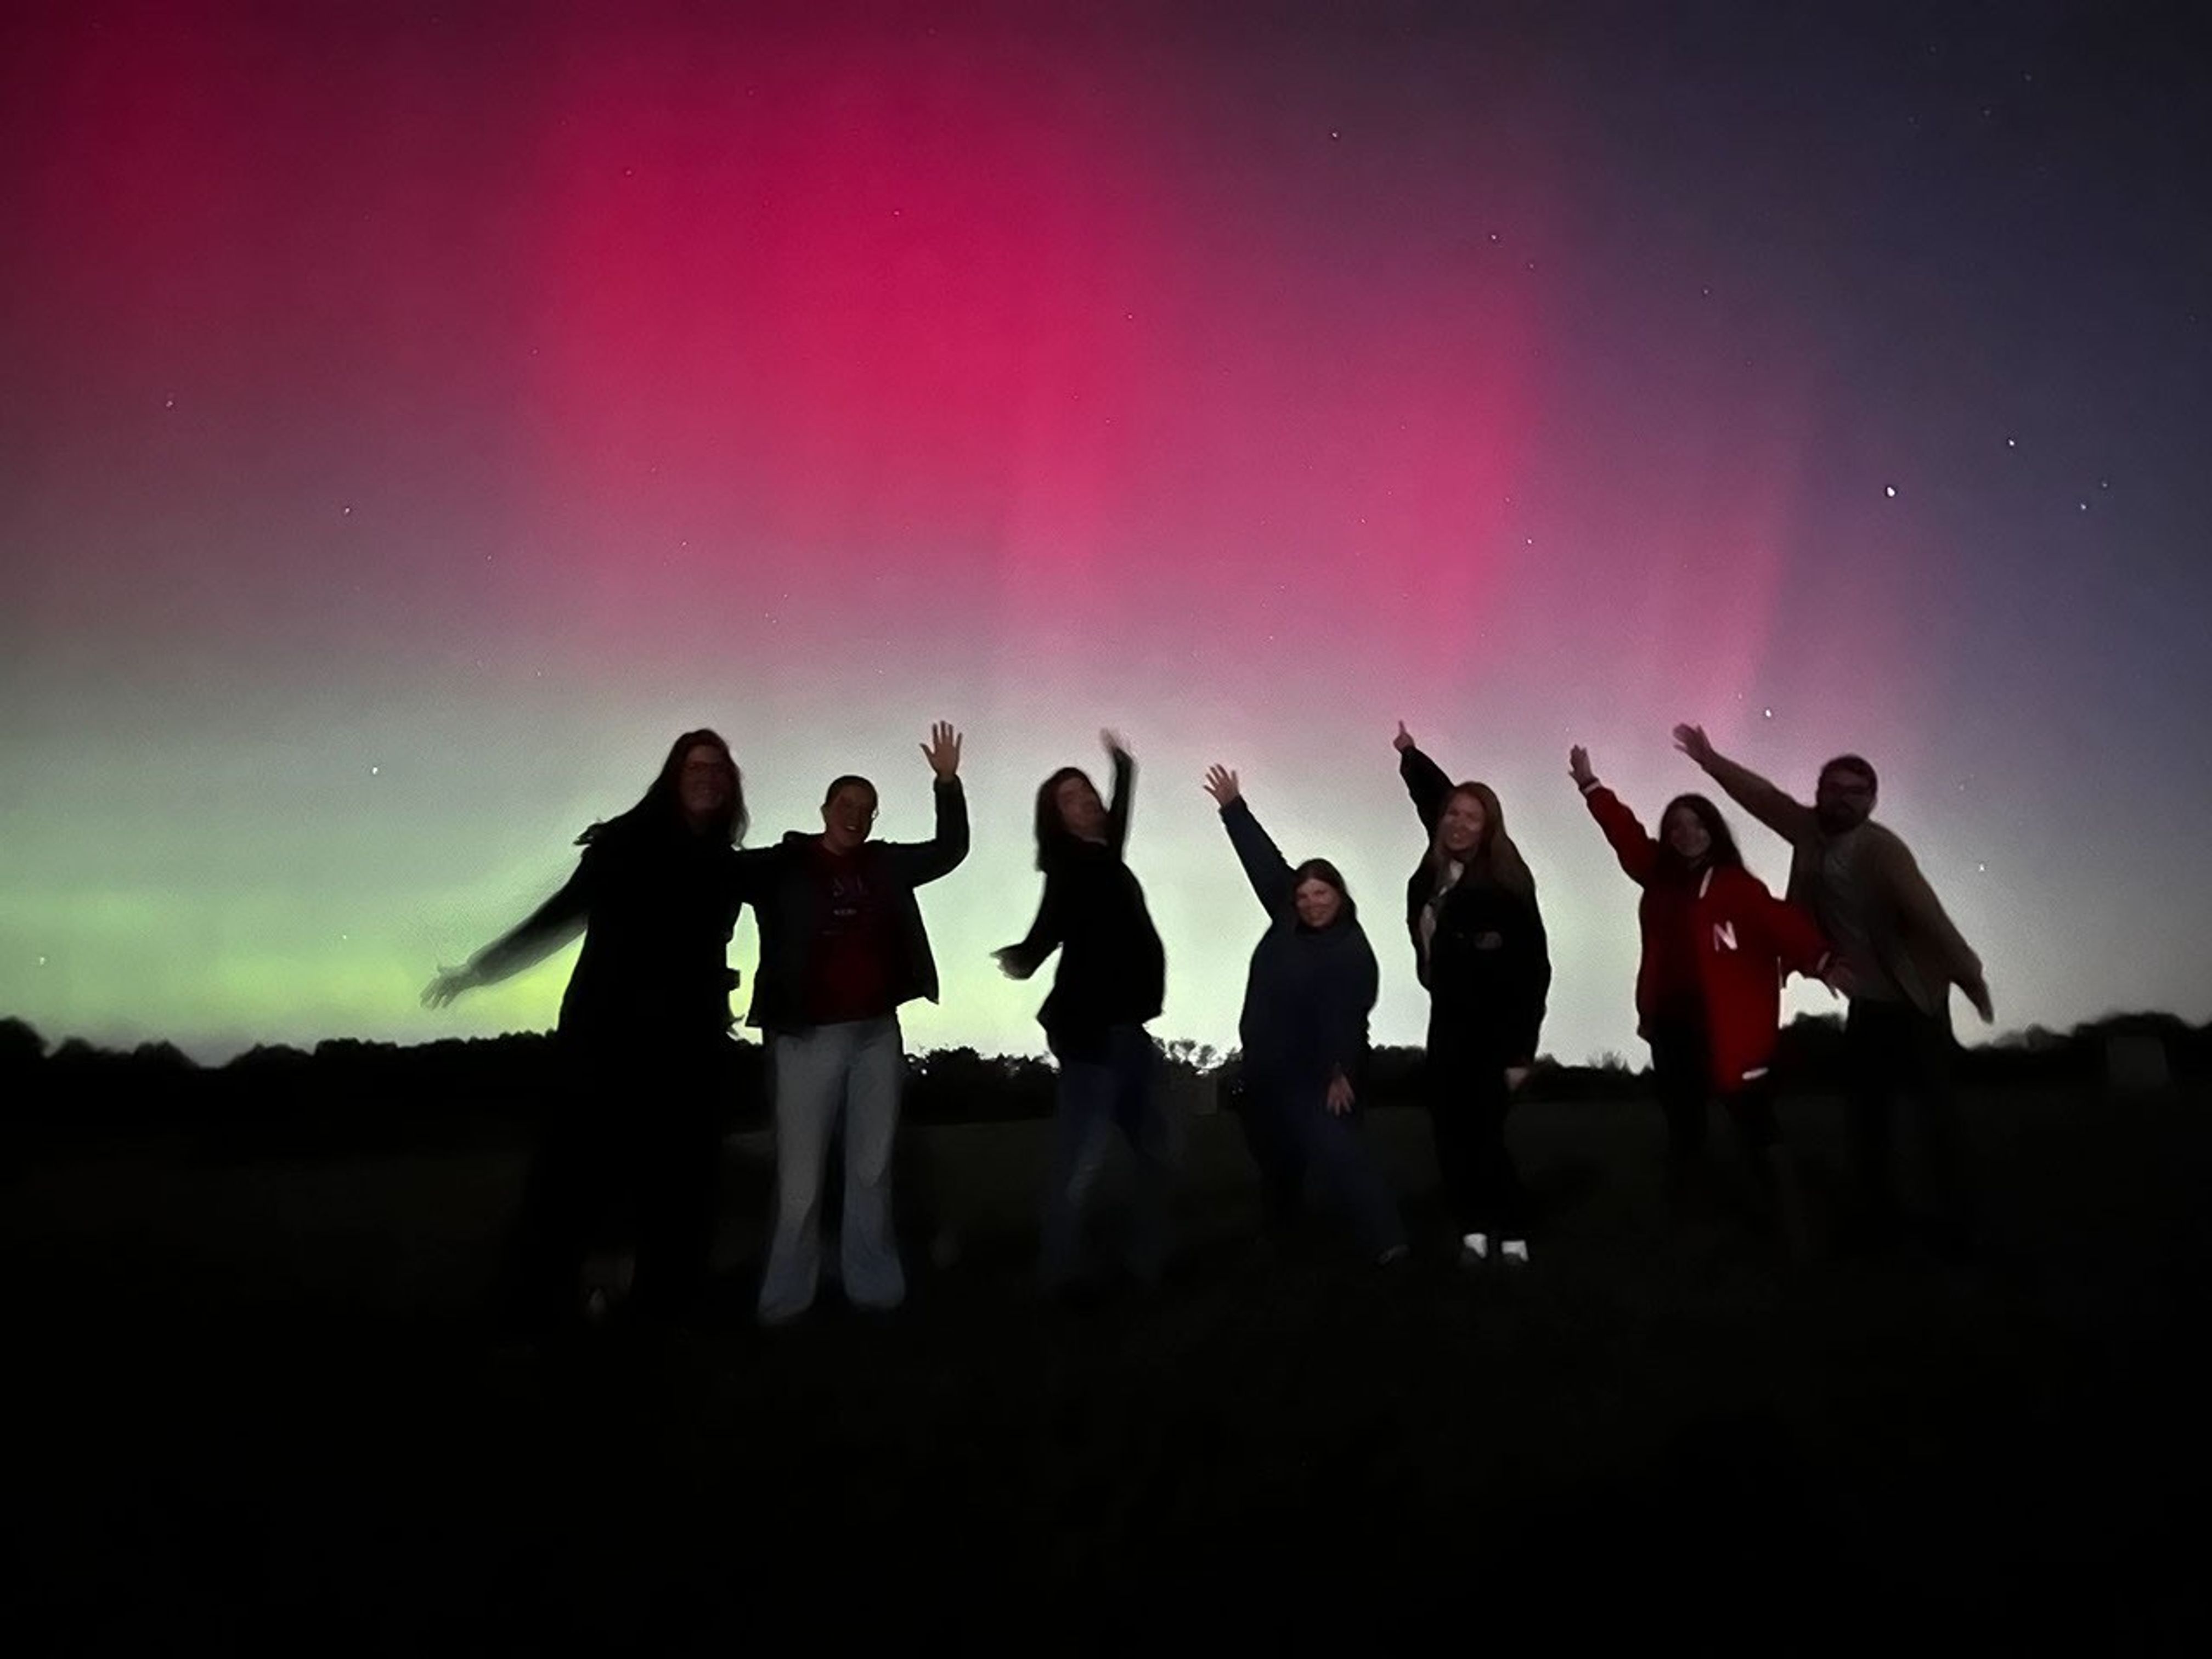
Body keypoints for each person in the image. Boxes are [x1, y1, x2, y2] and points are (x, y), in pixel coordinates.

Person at [423, 729, 749, 1338]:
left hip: (688, 1047)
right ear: (673, 779)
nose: (707, 777)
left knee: (680, 1181)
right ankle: (534, 1307)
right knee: (573, 1176)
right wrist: (481, 970)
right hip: (608, 1038)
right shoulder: (623, 845)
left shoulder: (727, 865)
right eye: (695, 767)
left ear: (730, 785)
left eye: (719, 769)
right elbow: (561, 915)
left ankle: (665, 1307)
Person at [1673, 724, 1994, 1257]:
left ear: (1872, 801)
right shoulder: (1810, 831)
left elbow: (1928, 915)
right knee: (1866, 1114)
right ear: (1819, 792)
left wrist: (1970, 975)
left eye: (1854, 792)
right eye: (1832, 788)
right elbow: (1764, 798)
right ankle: (1877, 1219)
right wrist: (1710, 761)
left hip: (1918, 1001)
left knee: (1938, 1115)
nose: (1840, 800)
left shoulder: (1882, 851)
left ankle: (1961, 1225)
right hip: (1870, 1003)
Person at [1568, 744, 1846, 1252]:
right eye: (1676, 826)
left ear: (1713, 830)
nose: (1686, 833)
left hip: (1730, 1029)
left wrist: (1821, 959)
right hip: (1672, 1024)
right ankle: (1686, 1230)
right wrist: (1591, 786)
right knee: (1684, 1129)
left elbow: (1779, 923)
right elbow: (1626, 836)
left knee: (1757, 1126)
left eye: (1696, 824)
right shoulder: (1659, 877)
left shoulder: (1737, 886)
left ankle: (1795, 1231)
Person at [741, 722, 968, 1325]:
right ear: (825, 809)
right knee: (802, 1179)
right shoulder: (784, 864)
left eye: (867, 809)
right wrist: (635, 839)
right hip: (807, 1036)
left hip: (875, 1035)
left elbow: (949, 851)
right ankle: (786, 1298)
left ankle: (872, 1285)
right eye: (846, 805)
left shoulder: (887, 864)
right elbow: (711, 867)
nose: (856, 816)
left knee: (870, 1169)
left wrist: (947, 784)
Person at [1203, 763, 1407, 1268]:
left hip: (1320, 1072)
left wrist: (1339, 1072)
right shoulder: (1287, 918)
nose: (1313, 904)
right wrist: (1234, 810)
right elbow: (1266, 864)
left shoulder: (1351, 951)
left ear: (1340, 897)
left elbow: (1348, 1014)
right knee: (1276, 1161)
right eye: (1305, 895)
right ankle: (1282, 1234)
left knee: (1342, 1154)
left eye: (1323, 894)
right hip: (1265, 1067)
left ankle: (1390, 1244)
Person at [996, 730, 1173, 1302]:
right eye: (1070, 799)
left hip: (1128, 1033)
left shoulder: (1102, 858)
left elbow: (1117, 818)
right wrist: (1025, 955)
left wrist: (1123, 767)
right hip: (1094, 1035)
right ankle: (1058, 1276)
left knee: (1158, 1154)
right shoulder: (1073, 868)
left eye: (1088, 792)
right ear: (1058, 821)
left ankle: (1145, 1266)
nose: (1087, 801)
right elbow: (1051, 924)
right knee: (1081, 1163)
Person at [1393, 721, 1550, 1267]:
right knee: (1450, 1137)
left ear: (1489, 829)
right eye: (1453, 815)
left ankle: (1513, 1234)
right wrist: (1412, 758)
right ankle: (1474, 1232)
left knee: (1484, 1137)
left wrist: (1520, 1053)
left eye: (1472, 817)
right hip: (1447, 1026)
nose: (1459, 823)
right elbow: (1434, 800)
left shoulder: (1505, 887)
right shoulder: (1429, 879)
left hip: (1495, 1033)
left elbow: (1534, 974)